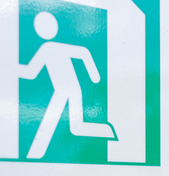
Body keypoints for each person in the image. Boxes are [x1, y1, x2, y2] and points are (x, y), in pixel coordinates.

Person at [19, 11, 116, 159]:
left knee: (67, 124)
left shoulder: (50, 48)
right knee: (75, 126)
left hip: (69, 89)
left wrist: (95, 76)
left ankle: (35, 153)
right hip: (64, 90)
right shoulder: (47, 48)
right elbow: (31, 72)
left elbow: (83, 52)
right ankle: (106, 131)